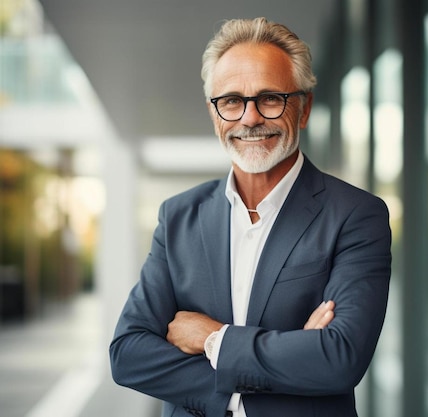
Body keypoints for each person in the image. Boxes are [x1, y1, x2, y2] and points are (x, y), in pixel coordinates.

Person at [109, 17, 391, 417]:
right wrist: (284, 364)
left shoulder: (356, 215)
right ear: (214, 114)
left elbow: (339, 358)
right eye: (231, 101)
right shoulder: (178, 217)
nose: (250, 118)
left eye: (270, 98)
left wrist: (213, 340)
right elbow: (128, 354)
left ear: (304, 108)